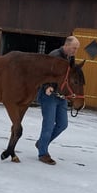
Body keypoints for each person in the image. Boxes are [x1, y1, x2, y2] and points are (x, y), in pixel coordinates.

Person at [35, 36, 80, 165]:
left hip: (61, 96)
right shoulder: (54, 55)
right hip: (49, 95)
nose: (75, 51)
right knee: (48, 125)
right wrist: (46, 86)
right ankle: (43, 153)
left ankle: (41, 143)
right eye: (74, 48)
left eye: (77, 49)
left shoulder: (70, 57)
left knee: (62, 124)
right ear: (66, 45)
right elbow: (43, 72)